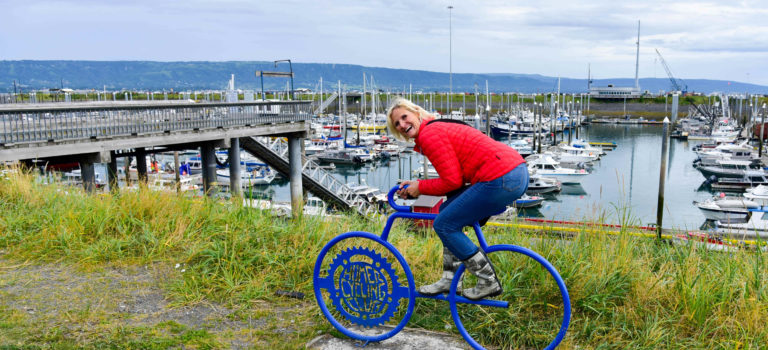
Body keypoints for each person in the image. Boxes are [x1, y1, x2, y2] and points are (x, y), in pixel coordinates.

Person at [386, 98, 528, 300]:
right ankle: (450, 279)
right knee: (446, 213)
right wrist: (418, 186)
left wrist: (420, 188)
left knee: (444, 224)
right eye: (397, 124)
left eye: (404, 117)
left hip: (500, 176)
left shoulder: (429, 134)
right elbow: (456, 178)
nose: (402, 125)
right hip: (514, 172)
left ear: (417, 113)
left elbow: (452, 181)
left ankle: (487, 280)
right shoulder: (436, 128)